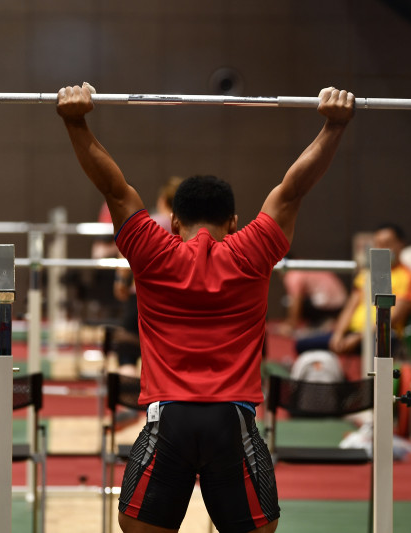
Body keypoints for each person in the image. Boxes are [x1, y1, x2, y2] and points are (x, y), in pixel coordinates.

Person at [57, 82, 354, 533]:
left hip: (168, 417)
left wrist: (75, 120)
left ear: (174, 219)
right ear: (233, 221)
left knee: (135, 527)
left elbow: (115, 189)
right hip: (231, 421)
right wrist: (334, 126)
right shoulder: (251, 252)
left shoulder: (154, 251)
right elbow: (292, 190)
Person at [294, 223, 411, 378]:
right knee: (303, 344)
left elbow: (395, 318)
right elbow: (350, 307)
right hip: (352, 333)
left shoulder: (408, 278)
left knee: (377, 351)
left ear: (400, 245)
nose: (382, 249)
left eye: (387, 244)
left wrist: (359, 337)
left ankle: (370, 392)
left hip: (382, 336)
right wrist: (339, 334)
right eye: (378, 244)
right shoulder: (367, 273)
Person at [112, 176, 182, 377]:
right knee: (166, 360)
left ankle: (127, 406)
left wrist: (120, 281)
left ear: (163, 200)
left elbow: (125, 251)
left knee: (127, 354)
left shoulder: (152, 223)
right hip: (176, 301)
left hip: (141, 298)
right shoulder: (189, 228)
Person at [279, 256, 347, 336]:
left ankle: (322, 323)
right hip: (340, 305)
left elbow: (296, 301)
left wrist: (290, 325)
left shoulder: (293, 273)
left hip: (330, 306)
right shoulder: (304, 265)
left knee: (288, 301)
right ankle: (323, 322)